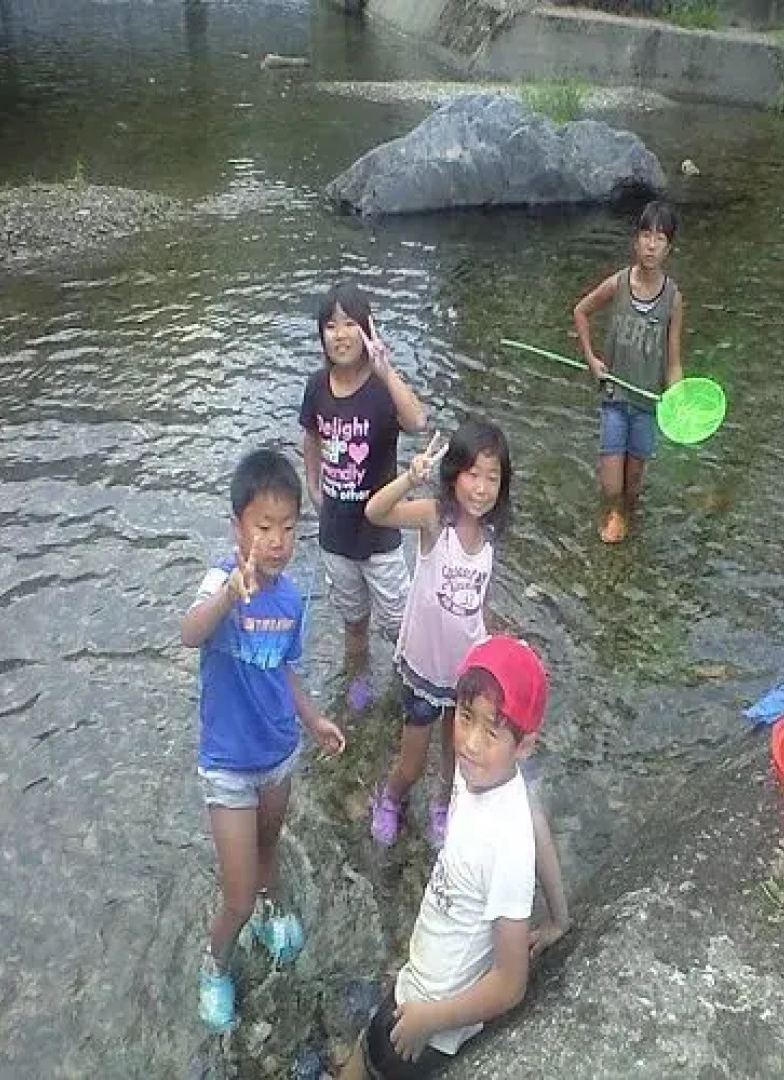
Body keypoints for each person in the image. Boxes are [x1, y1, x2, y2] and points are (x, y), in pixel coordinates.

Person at [340, 636, 569, 1080]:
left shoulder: (505, 843)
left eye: (493, 731)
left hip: (432, 1022)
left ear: (524, 746)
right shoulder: (486, 774)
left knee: (365, 1063)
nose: (471, 743)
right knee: (362, 1053)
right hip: (422, 983)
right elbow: (538, 822)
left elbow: (511, 982)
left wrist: (431, 1020)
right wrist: (559, 917)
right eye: (466, 718)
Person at [181, 448, 347, 1032]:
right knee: (237, 895)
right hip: (227, 764)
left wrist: (315, 719)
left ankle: (275, 912)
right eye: (263, 527)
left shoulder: (293, 600)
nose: (276, 541)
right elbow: (188, 631)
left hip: (278, 755)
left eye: (287, 528)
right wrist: (229, 594)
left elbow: (285, 671)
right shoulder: (221, 581)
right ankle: (215, 965)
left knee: (270, 849)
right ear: (238, 527)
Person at [364, 421, 512, 848]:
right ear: (454, 474)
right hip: (424, 668)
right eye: (472, 473)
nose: (481, 488)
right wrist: (410, 478)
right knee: (411, 760)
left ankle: (443, 806)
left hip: (465, 670)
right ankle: (391, 798)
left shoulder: (490, 534)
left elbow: (477, 602)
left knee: (455, 755)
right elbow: (376, 512)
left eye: (492, 478)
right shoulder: (435, 517)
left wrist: (493, 650)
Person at [299, 282, 427, 710]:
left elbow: (418, 422)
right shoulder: (317, 386)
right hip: (335, 534)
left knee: (399, 625)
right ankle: (359, 684)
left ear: (367, 330)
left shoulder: (379, 388)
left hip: (380, 534)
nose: (340, 334)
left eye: (350, 323)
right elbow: (311, 436)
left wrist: (387, 371)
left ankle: (409, 688)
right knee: (354, 622)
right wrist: (313, 486)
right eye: (330, 326)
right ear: (321, 336)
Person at [573, 199, 684, 544]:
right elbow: (581, 311)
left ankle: (628, 528)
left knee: (633, 486)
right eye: (646, 235)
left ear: (669, 247)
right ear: (635, 241)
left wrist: (677, 400)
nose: (651, 244)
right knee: (611, 487)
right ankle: (612, 519)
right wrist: (592, 359)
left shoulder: (673, 299)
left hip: (647, 407)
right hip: (614, 400)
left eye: (660, 238)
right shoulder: (618, 284)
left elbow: (673, 361)